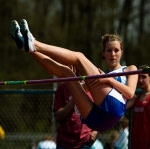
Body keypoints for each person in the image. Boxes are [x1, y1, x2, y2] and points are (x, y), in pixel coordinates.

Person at [10, 19, 138, 132]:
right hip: (95, 120)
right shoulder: (100, 75)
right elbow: (83, 90)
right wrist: (78, 80)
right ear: (103, 53)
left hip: (114, 109)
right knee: (67, 73)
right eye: (109, 51)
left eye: (116, 50)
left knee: (79, 57)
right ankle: (27, 48)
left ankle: (34, 43)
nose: (113, 54)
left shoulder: (129, 69)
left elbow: (130, 94)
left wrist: (108, 79)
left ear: (122, 51)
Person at [53, 65, 98, 149]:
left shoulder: (92, 88)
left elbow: (100, 114)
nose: (78, 71)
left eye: (81, 66)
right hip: (64, 143)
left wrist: (96, 131)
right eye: (76, 67)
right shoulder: (62, 88)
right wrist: (73, 101)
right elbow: (57, 116)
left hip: (84, 142)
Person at [126, 65, 150, 149]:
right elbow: (123, 108)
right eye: (138, 77)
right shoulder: (137, 98)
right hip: (135, 144)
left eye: (144, 77)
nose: (140, 80)